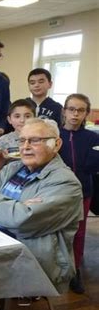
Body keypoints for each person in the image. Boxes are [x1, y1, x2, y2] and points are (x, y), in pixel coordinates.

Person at [0, 118, 83, 293]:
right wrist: (15, 206)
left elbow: (21, 221)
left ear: (57, 144)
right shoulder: (12, 168)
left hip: (28, 260)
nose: (25, 146)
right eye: (22, 140)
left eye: (35, 140)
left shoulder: (66, 183)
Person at [59, 94, 99, 293]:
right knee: (55, 229)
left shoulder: (93, 137)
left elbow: (94, 165)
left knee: (78, 231)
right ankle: (54, 268)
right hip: (57, 192)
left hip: (83, 191)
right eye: (71, 109)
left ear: (86, 113)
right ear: (64, 111)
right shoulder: (54, 136)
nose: (75, 114)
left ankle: (75, 270)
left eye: (80, 110)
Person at [0, 99, 35, 173]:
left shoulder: (40, 139)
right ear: (9, 120)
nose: (22, 120)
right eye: (17, 116)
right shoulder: (4, 140)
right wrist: (2, 158)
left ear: (34, 118)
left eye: (27, 116)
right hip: (10, 179)